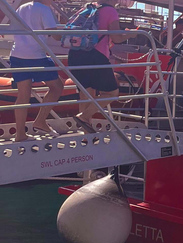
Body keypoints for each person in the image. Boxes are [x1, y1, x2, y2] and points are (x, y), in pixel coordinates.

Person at [68, 0, 133, 132]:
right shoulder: (110, 11)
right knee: (112, 93)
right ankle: (84, 116)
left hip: (75, 54)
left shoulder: (89, 7)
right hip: (95, 56)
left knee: (85, 93)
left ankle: (85, 133)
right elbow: (117, 38)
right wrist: (132, 34)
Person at [9, 0, 64, 142]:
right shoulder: (44, 10)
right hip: (36, 56)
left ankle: (20, 134)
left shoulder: (22, 7)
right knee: (57, 86)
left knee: (22, 96)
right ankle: (40, 121)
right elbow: (56, 35)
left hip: (17, 55)